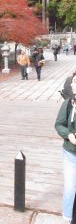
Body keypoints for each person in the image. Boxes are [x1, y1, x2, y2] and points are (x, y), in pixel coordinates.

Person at [55, 74, 76, 223]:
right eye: (73, 82)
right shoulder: (68, 103)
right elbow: (58, 124)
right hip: (71, 153)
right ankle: (68, 218)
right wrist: (69, 135)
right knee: (70, 189)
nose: (72, 85)